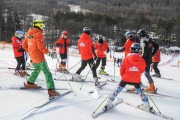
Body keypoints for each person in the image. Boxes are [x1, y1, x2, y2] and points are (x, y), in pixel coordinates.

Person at [104, 43, 150, 110]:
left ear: (131, 50)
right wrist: (136, 73)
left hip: (125, 78)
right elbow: (142, 70)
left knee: (117, 89)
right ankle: (146, 104)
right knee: (140, 91)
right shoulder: (142, 60)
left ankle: (109, 102)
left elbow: (122, 68)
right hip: (136, 79)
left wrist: (123, 76)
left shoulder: (126, 58)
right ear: (140, 51)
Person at [22, 19, 59, 98]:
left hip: (33, 56)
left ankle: (30, 83)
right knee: (47, 73)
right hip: (39, 57)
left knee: (36, 69)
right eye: (41, 25)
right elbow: (41, 47)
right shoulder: (39, 34)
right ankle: (51, 90)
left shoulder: (29, 34)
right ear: (38, 25)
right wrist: (50, 54)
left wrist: (31, 52)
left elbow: (24, 45)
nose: (42, 26)